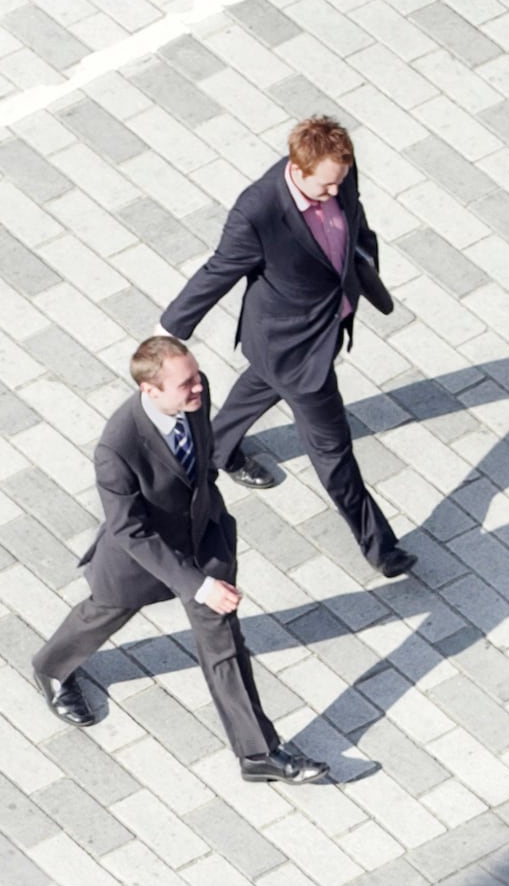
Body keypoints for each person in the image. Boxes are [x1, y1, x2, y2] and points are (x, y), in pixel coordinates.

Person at [36, 335, 331, 785]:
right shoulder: (116, 448)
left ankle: (258, 754)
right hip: (143, 557)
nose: (198, 388)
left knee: (224, 645)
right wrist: (197, 583)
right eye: (185, 384)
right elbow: (129, 529)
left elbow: (201, 458)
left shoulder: (195, 393)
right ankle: (51, 667)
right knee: (103, 613)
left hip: (204, 538)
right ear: (149, 391)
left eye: (196, 377)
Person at [161, 115, 410, 579]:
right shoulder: (257, 211)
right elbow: (221, 269)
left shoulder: (337, 172)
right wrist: (174, 327)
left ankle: (213, 451)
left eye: (340, 182)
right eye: (325, 187)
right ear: (298, 169)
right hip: (296, 352)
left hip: (295, 338)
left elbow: (354, 217)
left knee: (258, 384)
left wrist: (366, 257)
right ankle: (382, 548)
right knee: (333, 452)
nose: (335, 192)